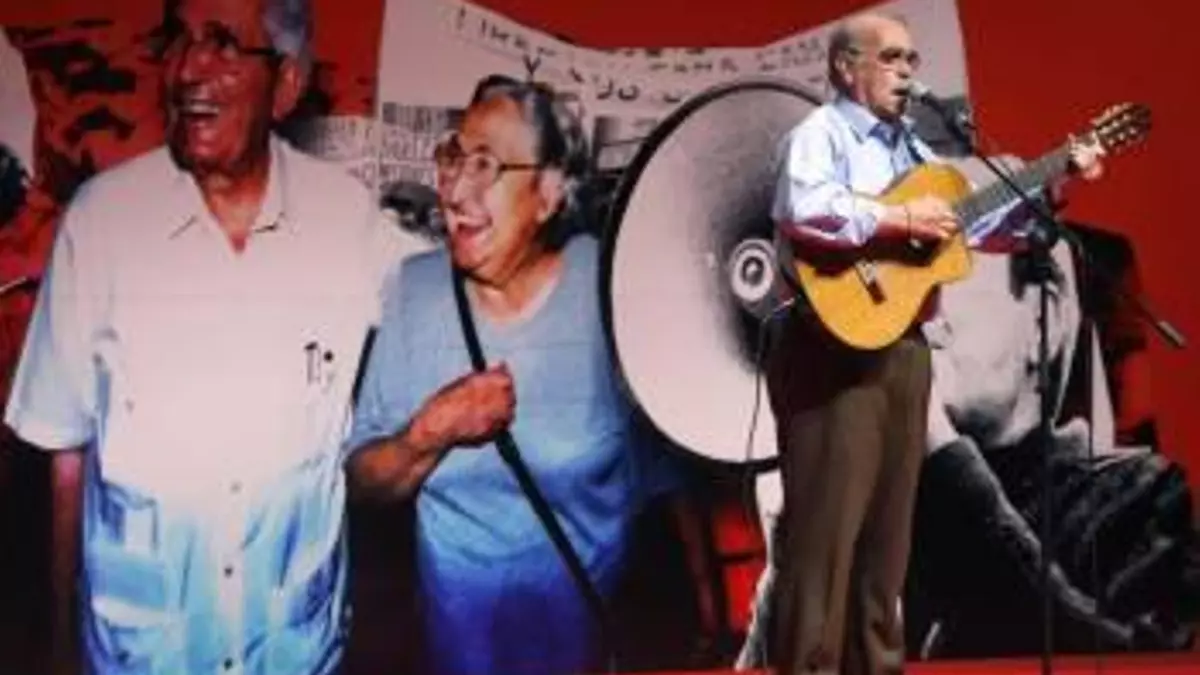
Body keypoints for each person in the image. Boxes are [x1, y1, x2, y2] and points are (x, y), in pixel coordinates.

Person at [2, 0, 398, 672]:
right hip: (144, 653)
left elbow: (448, 297)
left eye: (223, 43)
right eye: (179, 40)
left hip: (293, 650)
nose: (188, 69)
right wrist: (62, 643)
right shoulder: (102, 223)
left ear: (287, 84)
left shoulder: (348, 221)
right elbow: (64, 451)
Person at [764, 13, 1103, 675]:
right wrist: (897, 217)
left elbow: (978, 227)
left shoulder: (911, 149)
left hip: (904, 348)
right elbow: (803, 209)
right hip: (832, 351)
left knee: (888, 544)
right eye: (890, 58)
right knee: (824, 542)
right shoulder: (820, 134)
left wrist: (1054, 177)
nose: (906, 72)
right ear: (846, 68)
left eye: (911, 59)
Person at [343, 74, 691, 675]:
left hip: (589, 652)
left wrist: (702, 619)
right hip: (454, 656)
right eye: (453, 159)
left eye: (485, 165)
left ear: (548, 194)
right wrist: (430, 431)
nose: (454, 190)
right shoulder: (412, 293)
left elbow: (665, 479)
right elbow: (360, 482)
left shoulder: (612, 289)